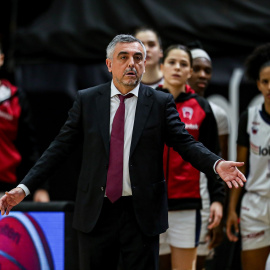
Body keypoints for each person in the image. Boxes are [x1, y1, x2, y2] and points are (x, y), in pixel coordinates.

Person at [0, 34, 246, 270]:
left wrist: (216, 165)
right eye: (123, 57)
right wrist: (24, 188)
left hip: (141, 214)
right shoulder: (87, 100)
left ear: (145, 63)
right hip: (96, 212)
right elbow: (58, 149)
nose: (132, 63)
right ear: (109, 64)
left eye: (138, 58)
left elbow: (186, 143)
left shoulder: (159, 102)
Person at [157, 44, 225, 270]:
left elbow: (214, 154)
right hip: (150, 202)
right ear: (161, 66)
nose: (177, 68)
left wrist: (218, 198)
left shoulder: (202, 107)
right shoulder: (145, 101)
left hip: (187, 204)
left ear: (189, 72)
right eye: (172, 62)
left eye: (183, 64)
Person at [226, 43, 270, 270]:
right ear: (258, 84)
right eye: (265, 81)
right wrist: (232, 210)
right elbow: (239, 169)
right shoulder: (249, 117)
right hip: (255, 206)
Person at [188, 48, 230, 270]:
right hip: (168, 199)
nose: (202, 75)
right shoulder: (163, 105)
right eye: (197, 69)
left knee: (199, 263)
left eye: (207, 70)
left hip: (203, 200)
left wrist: (219, 203)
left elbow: (222, 164)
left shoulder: (217, 114)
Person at [0, 41, 48, 202]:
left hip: (7, 190)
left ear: (1, 59)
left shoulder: (16, 98)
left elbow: (30, 147)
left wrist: (40, 187)